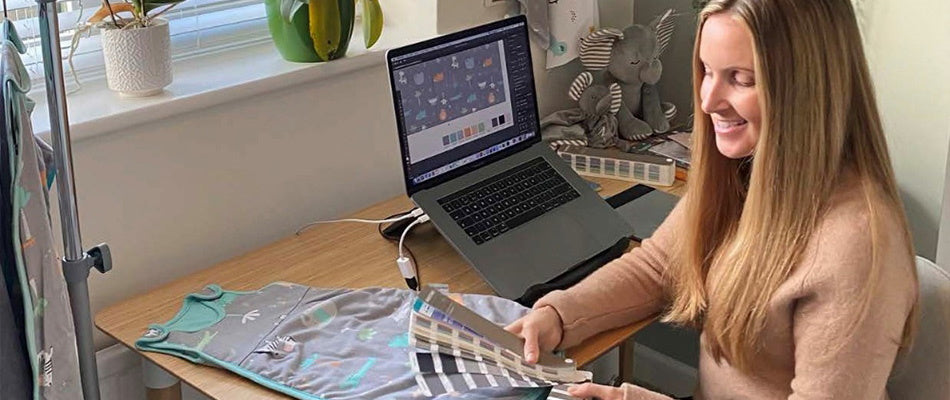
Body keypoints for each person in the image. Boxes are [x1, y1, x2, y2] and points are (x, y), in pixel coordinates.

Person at [506, 0, 920, 398]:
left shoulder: (856, 244)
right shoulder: (746, 171)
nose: (707, 102)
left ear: (807, 91)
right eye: (706, 70)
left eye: (740, 79)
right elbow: (658, 268)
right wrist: (557, 316)